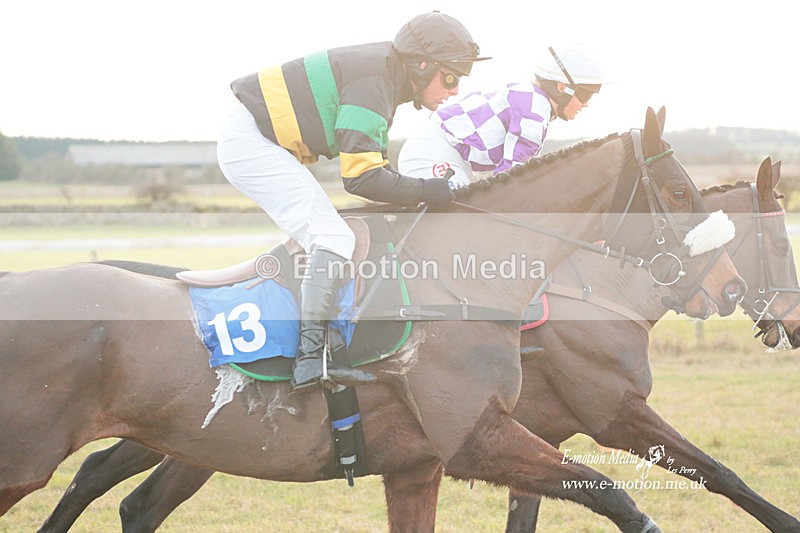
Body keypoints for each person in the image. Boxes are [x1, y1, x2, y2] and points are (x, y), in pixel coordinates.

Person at [216, 11, 489, 390]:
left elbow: (376, 170)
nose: (454, 90)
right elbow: (362, 177)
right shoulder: (375, 81)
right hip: (252, 144)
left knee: (337, 233)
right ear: (423, 65)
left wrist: (419, 192)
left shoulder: (383, 74)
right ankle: (311, 359)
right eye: (451, 78)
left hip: (257, 139)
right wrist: (429, 190)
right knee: (333, 237)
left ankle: (327, 339)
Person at [398, 45, 604, 188]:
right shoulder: (535, 113)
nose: (585, 104)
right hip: (436, 151)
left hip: (446, 152)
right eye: (585, 95)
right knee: (461, 220)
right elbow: (509, 181)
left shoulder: (532, 98)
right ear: (561, 87)